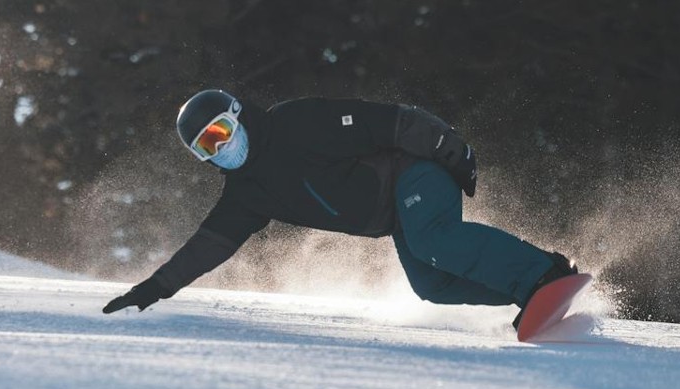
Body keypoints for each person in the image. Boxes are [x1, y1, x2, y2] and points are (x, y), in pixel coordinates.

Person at [101, 89, 578, 328]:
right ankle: (532, 295)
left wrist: (445, 144)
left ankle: (542, 275)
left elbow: (383, 122)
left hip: (414, 173)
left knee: (434, 242)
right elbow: (208, 247)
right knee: (432, 285)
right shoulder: (247, 194)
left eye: (221, 132)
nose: (222, 148)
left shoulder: (293, 124)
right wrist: (156, 287)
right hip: (396, 214)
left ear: (238, 115)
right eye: (208, 148)